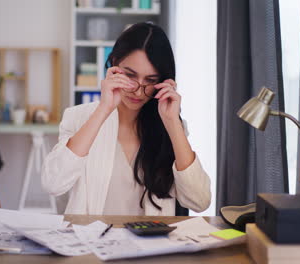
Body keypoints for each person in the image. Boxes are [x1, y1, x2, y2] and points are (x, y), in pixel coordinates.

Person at [42, 22, 211, 215]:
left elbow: (200, 201)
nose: (138, 91)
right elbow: (53, 184)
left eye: (150, 80)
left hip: (152, 244)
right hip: (91, 242)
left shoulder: (170, 127)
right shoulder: (78, 117)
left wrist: (173, 123)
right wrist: (103, 109)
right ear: (114, 63)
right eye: (130, 76)